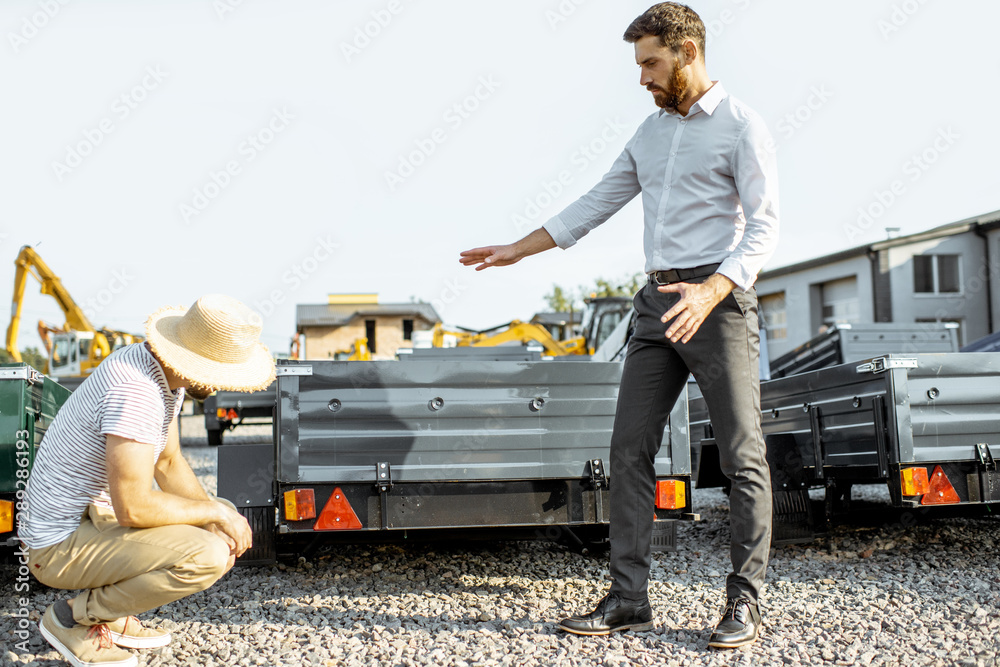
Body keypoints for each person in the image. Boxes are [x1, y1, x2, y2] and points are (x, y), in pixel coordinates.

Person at [459, 2, 778, 649]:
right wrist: (516, 249)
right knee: (628, 450)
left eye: (651, 63)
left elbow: (766, 226)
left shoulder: (743, 126)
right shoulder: (650, 134)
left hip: (718, 301)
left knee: (743, 455)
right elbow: (597, 201)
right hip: (657, 304)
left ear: (688, 52)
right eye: (639, 66)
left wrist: (715, 286)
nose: (642, 78)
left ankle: (744, 602)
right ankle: (629, 598)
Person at [19, 294, 276, 667]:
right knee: (208, 554)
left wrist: (214, 516)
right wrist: (212, 519)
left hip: (91, 520)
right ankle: (72, 618)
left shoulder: (164, 376)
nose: (223, 384)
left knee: (223, 515)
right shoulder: (137, 391)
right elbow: (133, 506)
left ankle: (113, 613)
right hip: (55, 545)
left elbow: (169, 462)